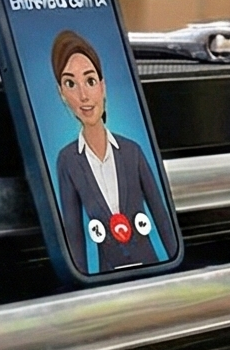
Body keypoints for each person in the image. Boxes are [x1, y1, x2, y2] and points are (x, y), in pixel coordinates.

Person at [47, 28, 171, 273]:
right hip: (108, 278)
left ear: (102, 86)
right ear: (62, 93)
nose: (83, 95)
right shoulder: (67, 161)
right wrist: (81, 289)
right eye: (71, 83)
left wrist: (176, 272)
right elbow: (74, 236)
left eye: (90, 81)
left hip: (151, 269)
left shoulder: (132, 151)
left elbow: (161, 217)